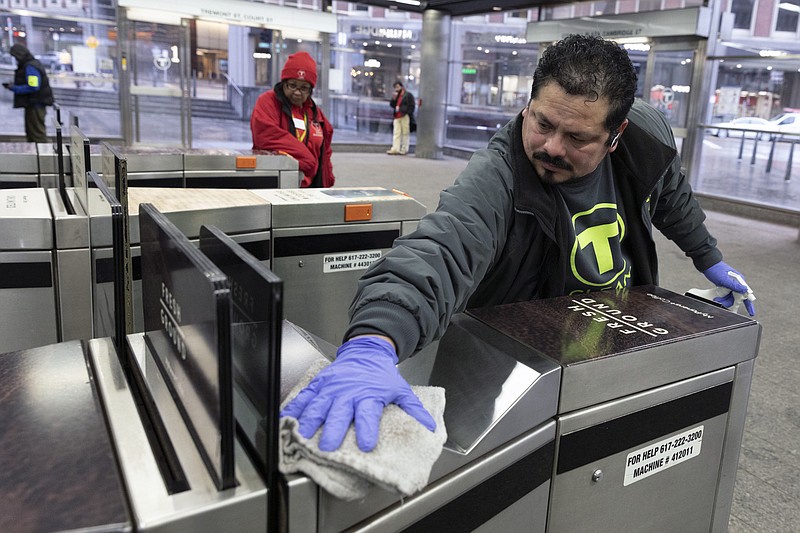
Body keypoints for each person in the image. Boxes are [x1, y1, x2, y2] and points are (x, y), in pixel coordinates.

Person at [280, 34, 757, 454]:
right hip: (517, 352)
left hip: (615, 341)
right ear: (528, 105)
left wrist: (708, 257)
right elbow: (443, 249)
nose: (551, 147)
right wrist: (373, 343)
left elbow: (670, 192)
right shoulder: (502, 173)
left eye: (577, 137)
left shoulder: (646, 135)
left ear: (616, 135)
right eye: (543, 123)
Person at [250, 51, 335, 187]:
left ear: (310, 90)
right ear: (284, 83)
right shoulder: (268, 102)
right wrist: (305, 159)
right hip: (275, 185)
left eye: (304, 88)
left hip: (309, 188)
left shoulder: (314, 112)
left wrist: (327, 179)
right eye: (292, 85)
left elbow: (325, 146)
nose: (297, 92)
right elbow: (266, 136)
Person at [3, 44, 54, 142]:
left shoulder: (30, 66)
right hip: (34, 104)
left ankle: (44, 155)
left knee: (37, 134)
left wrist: (14, 88)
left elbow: (33, 86)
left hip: (36, 105)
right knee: (33, 132)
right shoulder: (33, 64)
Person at [387, 81, 415, 155]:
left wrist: (406, 112)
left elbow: (411, 106)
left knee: (405, 132)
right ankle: (395, 148)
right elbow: (392, 105)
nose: (397, 89)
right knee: (397, 132)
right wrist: (393, 99)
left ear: (401, 87)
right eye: (395, 87)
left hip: (404, 115)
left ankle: (404, 148)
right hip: (397, 116)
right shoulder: (396, 95)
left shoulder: (408, 95)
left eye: (398, 87)